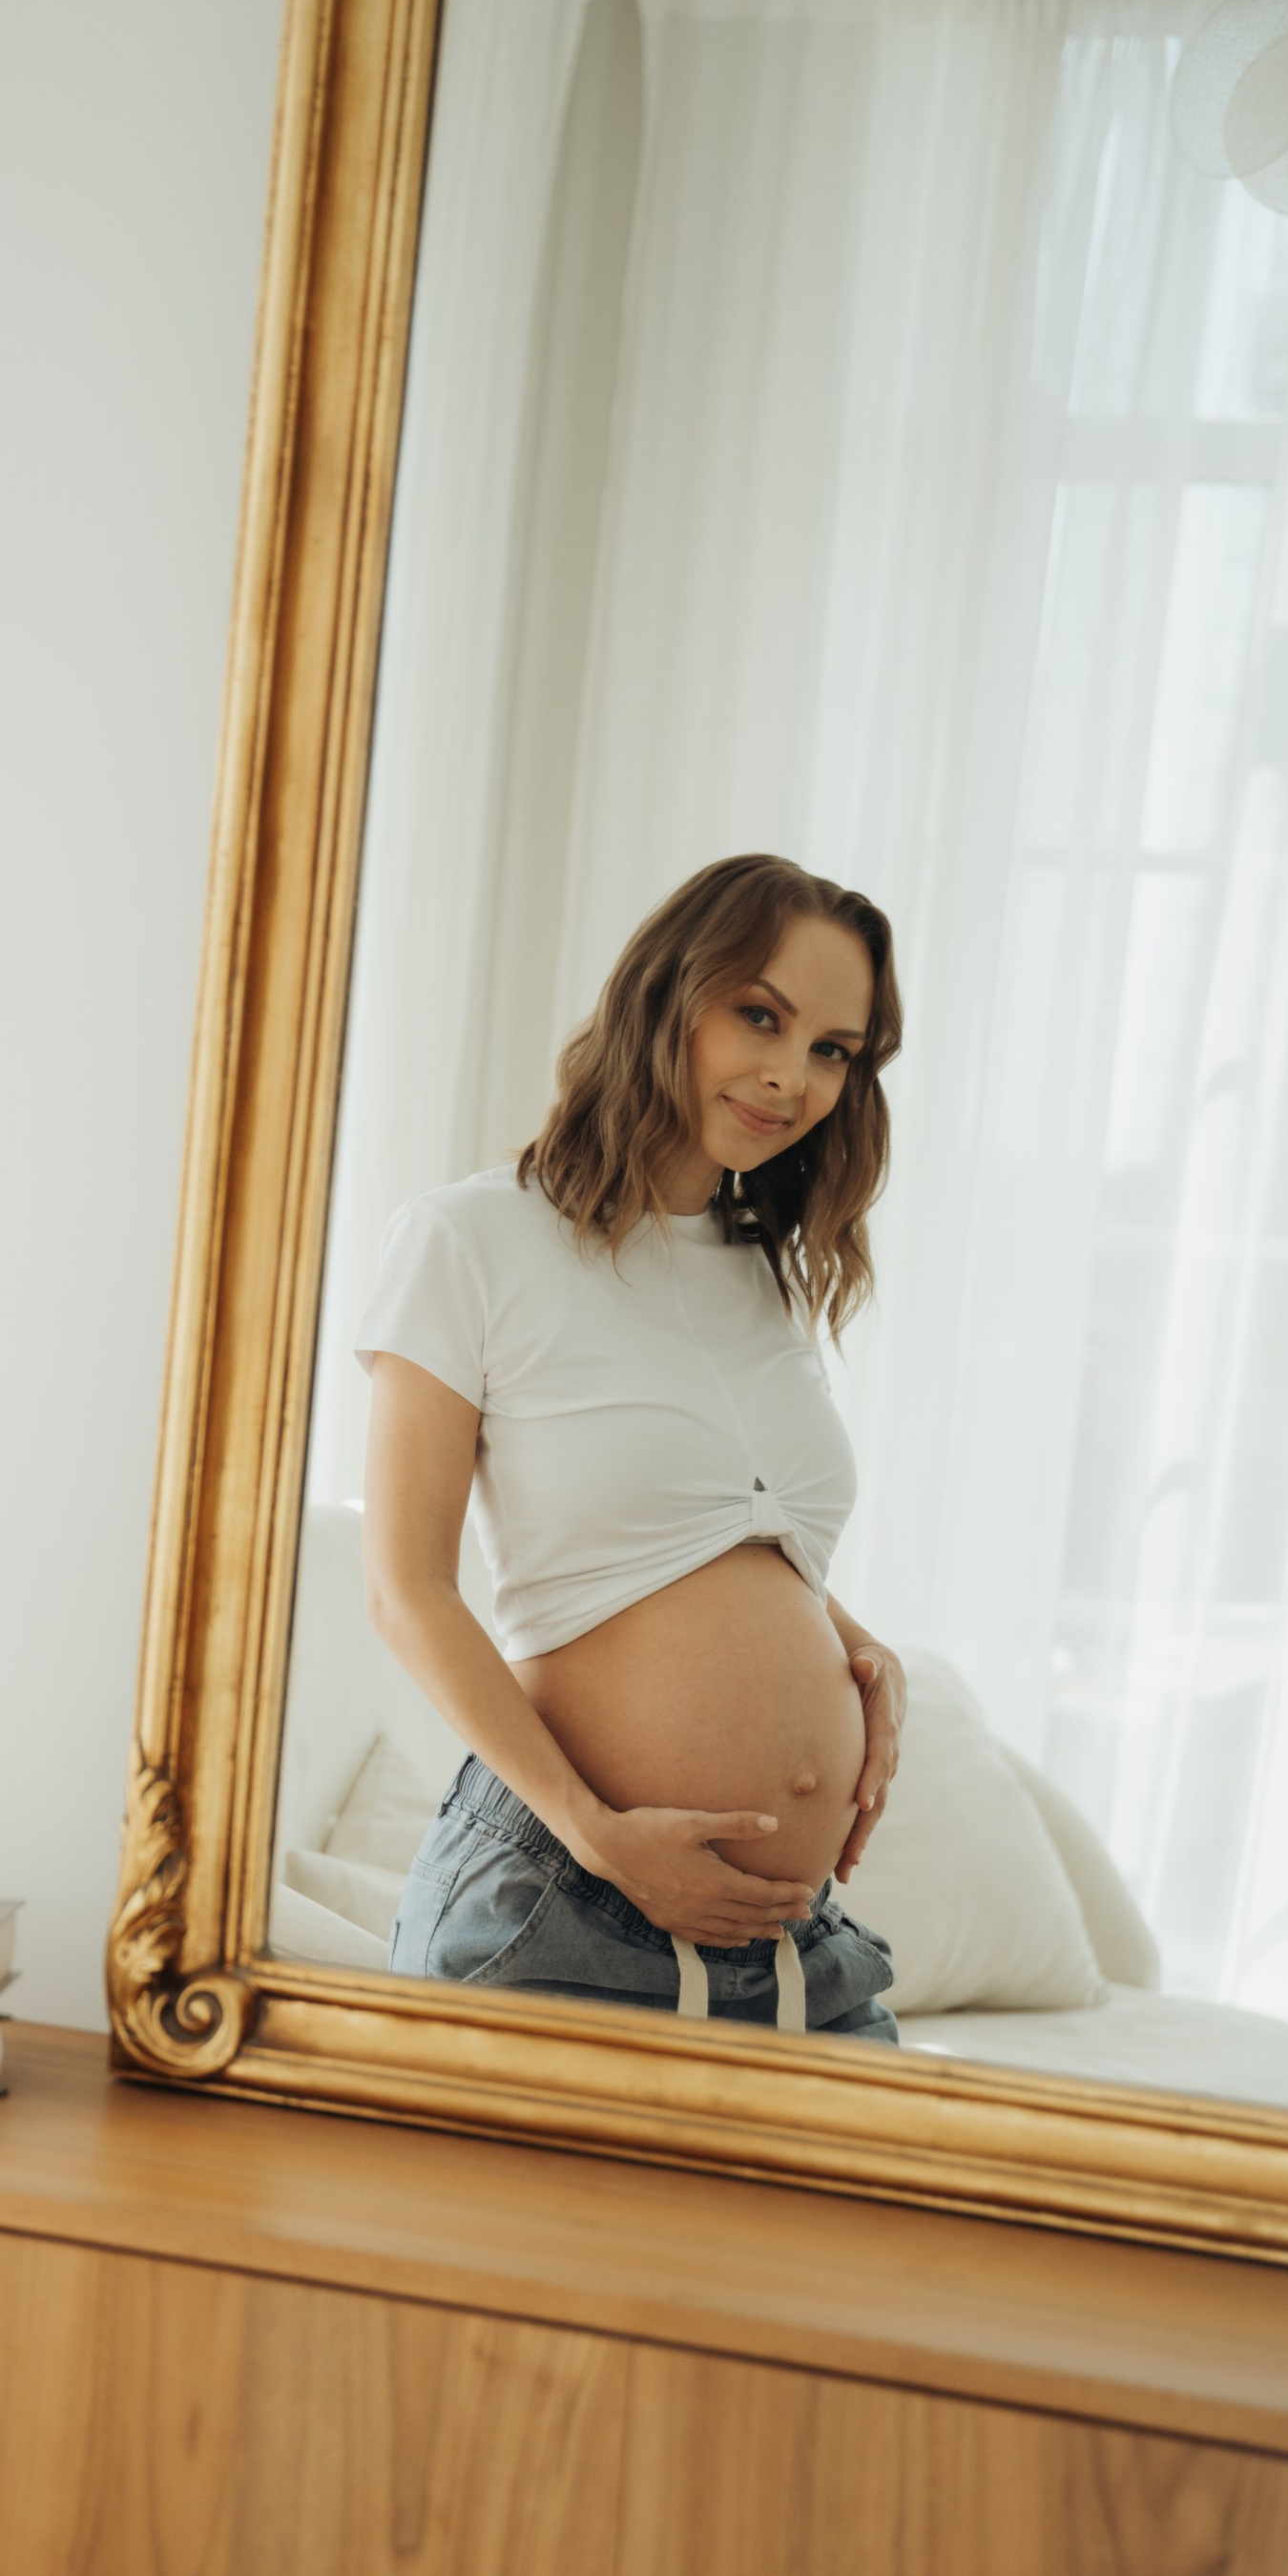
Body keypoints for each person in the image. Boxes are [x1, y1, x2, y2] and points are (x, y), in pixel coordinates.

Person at [362, 851, 908, 2042]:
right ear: (668, 992)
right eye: (758, 1016)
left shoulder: (759, 1269)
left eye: (832, 1050)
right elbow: (407, 1588)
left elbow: (707, 1536)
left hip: (793, 1948)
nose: (790, 1077)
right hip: (564, 1902)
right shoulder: (471, 1240)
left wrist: (861, 1656)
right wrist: (593, 1830)